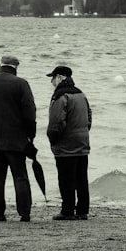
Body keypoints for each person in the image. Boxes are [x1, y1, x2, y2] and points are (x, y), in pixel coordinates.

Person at [0, 55, 37, 222]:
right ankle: (24, 213)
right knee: (20, 177)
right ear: (16, 67)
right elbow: (30, 113)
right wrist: (30, 135)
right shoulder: (21, 84)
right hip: (17, 141)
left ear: (0, 65)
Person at [45, 66, 92, 220]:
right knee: (81, 179)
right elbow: (89, 117)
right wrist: (84, 133)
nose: (52, 81)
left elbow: (56, 122)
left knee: (66, 179)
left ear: (60, 77)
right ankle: (83, 210)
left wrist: (53, 139)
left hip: (66, 145)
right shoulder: (81, 93)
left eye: (53, 77)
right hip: (82, 142)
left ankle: (67, 211)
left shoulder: (60, 96)